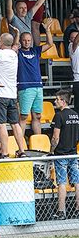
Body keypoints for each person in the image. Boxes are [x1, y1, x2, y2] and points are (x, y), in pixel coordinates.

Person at [17, 20, 54, 134]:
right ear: (20, 41)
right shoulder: (17, 52)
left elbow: (50, 44)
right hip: (25, 88)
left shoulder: (35, 51)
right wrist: (17, 36)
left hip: (38, 86)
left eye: (29, 40)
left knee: (37, 116)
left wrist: (47, 30)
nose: (27, 42)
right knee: (23, 117)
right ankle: (21, 146)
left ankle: (38, 143)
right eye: (24, 40)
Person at [51, 89, 79, 220]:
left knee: (62, 182)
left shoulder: (59, 116)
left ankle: (61, 211)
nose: (55, 102)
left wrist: (52, 150)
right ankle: (78, 209)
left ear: (63, 101)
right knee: (77, 182)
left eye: (57, 99)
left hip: (61, 154)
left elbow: (55, 137)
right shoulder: (75, 115)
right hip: (73, 153)